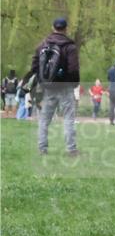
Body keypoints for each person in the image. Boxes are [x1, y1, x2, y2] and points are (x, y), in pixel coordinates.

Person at [32, 17, 80, 155]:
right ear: (66, 29)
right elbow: (73, 69)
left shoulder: (42, 45)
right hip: (65, 87)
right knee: (68, 118)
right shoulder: (70, 47)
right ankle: (71, 149)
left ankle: (42, 148)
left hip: (48, 87)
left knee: (44, 119)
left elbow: (34, 66)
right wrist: (74, 84)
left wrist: (42, 81)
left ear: (53, 28)